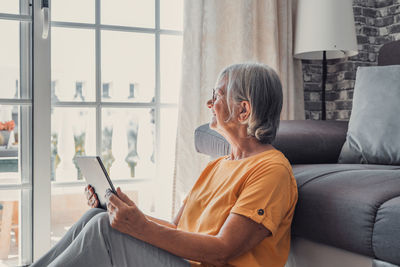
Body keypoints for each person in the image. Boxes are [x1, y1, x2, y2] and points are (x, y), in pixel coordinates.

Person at [31, 63, 298, 267]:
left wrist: (140, 226)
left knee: (103, 230)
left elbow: (223, 250)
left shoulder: (271, 171)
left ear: (243, 111)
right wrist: (129, 214)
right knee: (98, 217)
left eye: (217, 95)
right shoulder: (217, 166)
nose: (209, 103)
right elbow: (176, 230)